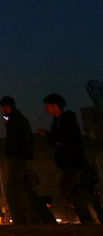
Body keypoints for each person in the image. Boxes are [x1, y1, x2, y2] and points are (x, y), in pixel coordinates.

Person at [37, 93, 98, 224]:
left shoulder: (67, 119)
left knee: (66, 189)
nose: (45, 108)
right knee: (74, 190)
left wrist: (50, 135)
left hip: (73, 161)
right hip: (65, 163)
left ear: (55, 105)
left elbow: (65, 137)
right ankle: (87, 219)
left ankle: (87, 217)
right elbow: (56, 140)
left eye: (47, 105)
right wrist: (49, 137)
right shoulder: (55, 122)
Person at [0, 96, 55, 224]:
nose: (1, 111)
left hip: (18, 158)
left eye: (2, 108)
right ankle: (48, 219)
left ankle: (20, 221)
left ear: (7, 107)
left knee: (12, 191)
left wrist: (10, 153)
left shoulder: (15, 120)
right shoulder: (20, 119)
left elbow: (14, 139)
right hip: (26, 158)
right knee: (31, 193)